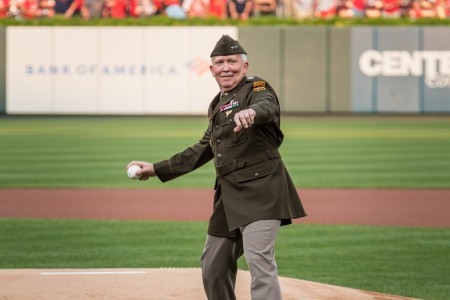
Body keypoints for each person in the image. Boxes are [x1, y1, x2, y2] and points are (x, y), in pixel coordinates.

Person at [127, 35, 306, 300]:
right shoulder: (217, 104)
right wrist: (156, 168)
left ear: (244, 66)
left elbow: (267, 106)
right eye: (220, 62)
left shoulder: (256, 87)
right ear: (211, 70)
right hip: (229, 197)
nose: (226, 67)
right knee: (213, 267)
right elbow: (203, 148)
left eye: (232, 61)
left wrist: (253, 113)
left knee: (260, 263)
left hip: (262, 191)